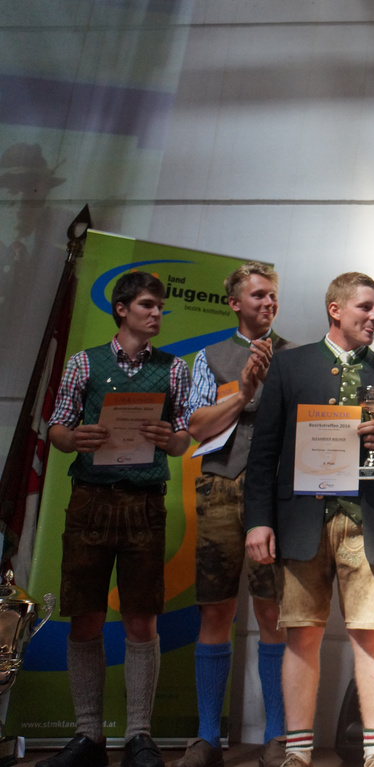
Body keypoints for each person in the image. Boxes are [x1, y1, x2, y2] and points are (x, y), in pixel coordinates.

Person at [243, 272, 374, 767]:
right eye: (365, 307)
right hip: (301, 520)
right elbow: (264, 452)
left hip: (367, 520)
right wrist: (258, 521)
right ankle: (298, 751)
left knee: (369, 632)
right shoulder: (290, 366)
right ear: (335, 310)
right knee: (302, 634)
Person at [39, 271, 193, 767]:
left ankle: (138, 737)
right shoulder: (84, 363)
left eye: (160, 306)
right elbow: (57, 428)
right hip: (91, 501)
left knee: (141, 617)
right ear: (122, 309)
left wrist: (171, 439)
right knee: (84, 614)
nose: (157, 313)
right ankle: (88, 736)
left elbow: (183, 437)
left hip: (145, 503)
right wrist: (73, 438)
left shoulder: (174, 369)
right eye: (148, 305)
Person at [173, 262, 292, 767]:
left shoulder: (296, 357)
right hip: (219, 487)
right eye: (258, 295)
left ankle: (277, 736)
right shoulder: (208, 358)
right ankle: (207, 738)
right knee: (216, 609)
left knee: (273, 612)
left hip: (275, 496)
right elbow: (196, 426)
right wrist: (243, 390)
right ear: (235, 304)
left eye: (273, 295)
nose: (268, 302)